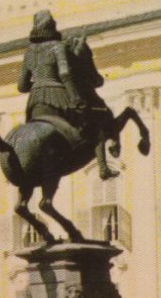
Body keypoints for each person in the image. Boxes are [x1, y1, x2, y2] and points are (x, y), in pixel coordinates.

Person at [17, 10, 117, 180]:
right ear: (52, 27)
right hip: (57, 96)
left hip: (35, 103)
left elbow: (22, 86)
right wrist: (75, 97)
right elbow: (65, 74)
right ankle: (103, 167)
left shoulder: (29, 52)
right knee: (93, 124)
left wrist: (39, 82)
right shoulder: (58, 46)